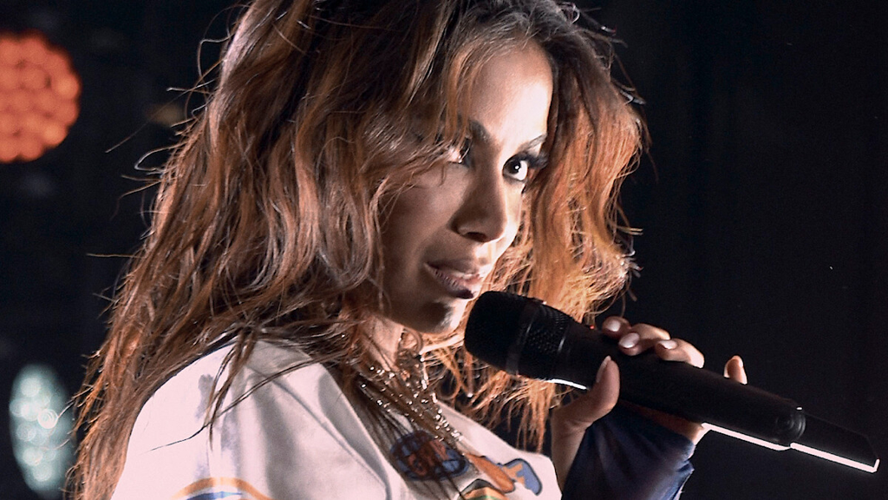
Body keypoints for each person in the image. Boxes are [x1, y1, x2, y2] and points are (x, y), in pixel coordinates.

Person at [70, 0, 747, 499]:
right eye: (451, 147)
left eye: (518, 166)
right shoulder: (257, 402)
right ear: (324, 140)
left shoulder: (448, 443)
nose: (495, 221)